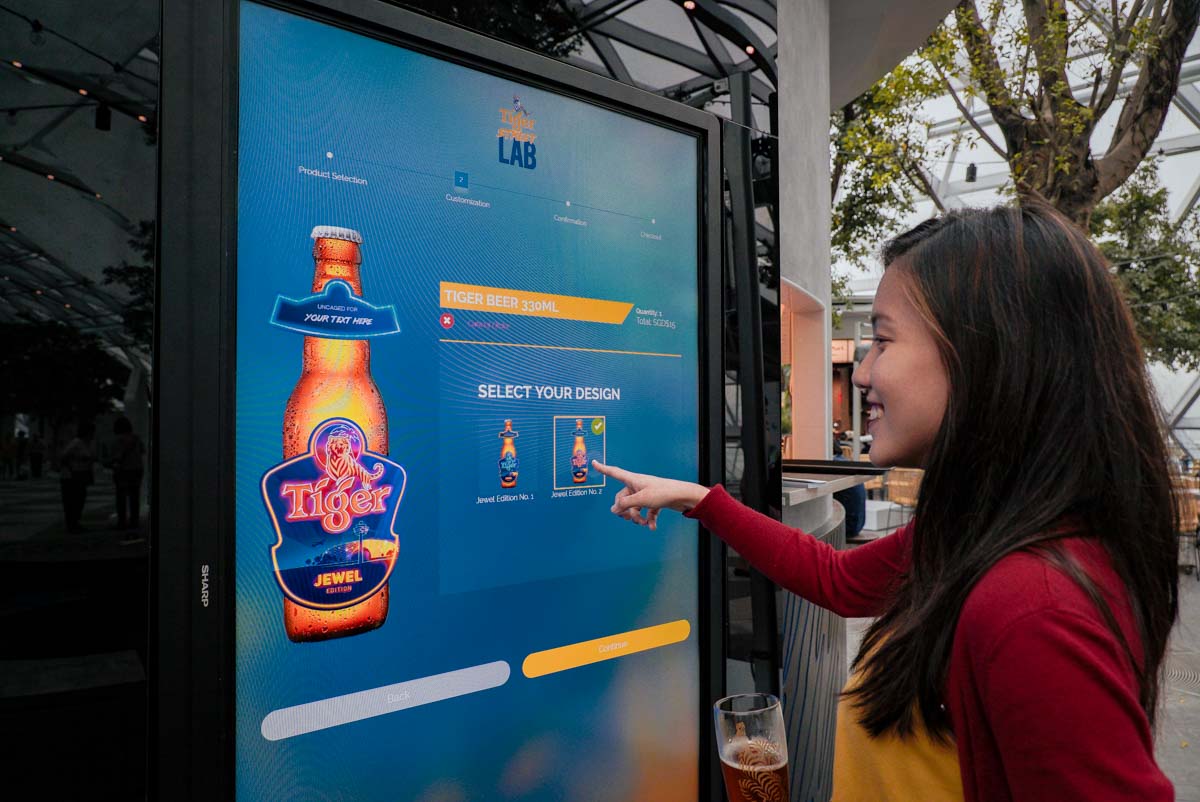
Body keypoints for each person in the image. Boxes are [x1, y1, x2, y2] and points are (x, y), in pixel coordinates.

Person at [594, 203, 1177, 801]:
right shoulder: (973, 537)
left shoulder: (1032, 607)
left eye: (882, 339)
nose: (863, 372)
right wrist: (700, 499)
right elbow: (838, 579)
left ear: (988, 357)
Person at [59, 421, 96, 533]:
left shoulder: (86, 443)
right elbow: (64, 456)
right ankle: (72, 524)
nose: (93, 435)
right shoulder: (77, 443)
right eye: (92, 432)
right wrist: (71, 468)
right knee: (73, 500)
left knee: (79, 499)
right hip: (73, 476)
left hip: (81, 475)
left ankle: (74, 522)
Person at [109, 416, 145, 530]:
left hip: (123, 470)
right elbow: (143, 451)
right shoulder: (136, 438)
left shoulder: (117, 439)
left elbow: (115, 456)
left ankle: (122, 522)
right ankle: (134, 521)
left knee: (121, 497)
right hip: (137, 469)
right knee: (135, 496)